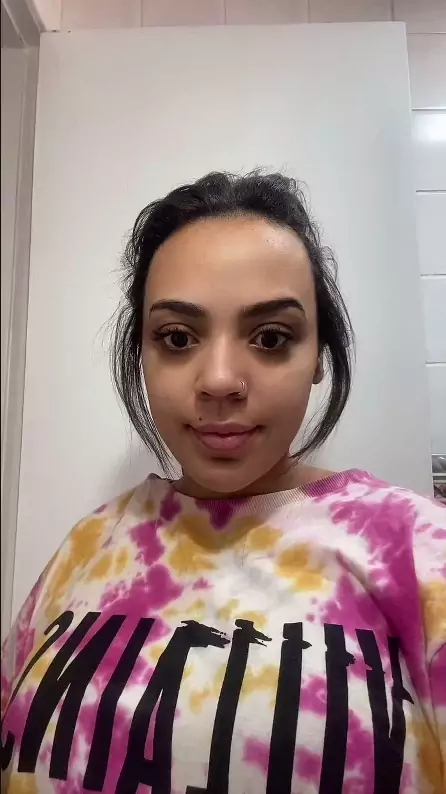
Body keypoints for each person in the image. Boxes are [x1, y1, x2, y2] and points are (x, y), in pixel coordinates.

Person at [1, 171, 445, 794]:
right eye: (178, 338)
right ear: (143, 354)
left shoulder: (416, 549)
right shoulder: (89, 545)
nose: (218, 381)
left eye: (271, 338)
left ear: (319, 356)